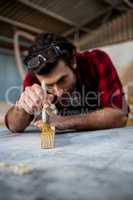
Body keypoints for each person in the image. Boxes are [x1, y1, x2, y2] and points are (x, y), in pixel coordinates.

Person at [5, 33, 129, 132]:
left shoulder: (97, 61)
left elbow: (120, 115)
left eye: (62, 80)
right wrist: (22, 107)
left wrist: (65, 121)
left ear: (73, 61)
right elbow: (14, 126)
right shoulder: (35, 77)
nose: (58, 92)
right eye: (49, 86)